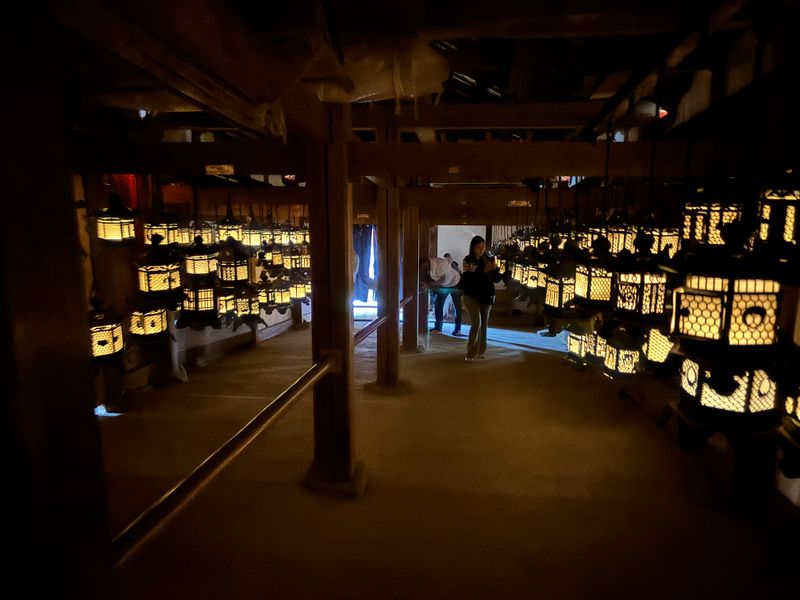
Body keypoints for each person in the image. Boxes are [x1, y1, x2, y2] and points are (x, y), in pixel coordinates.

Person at [460, 235, 503, 361]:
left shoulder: (489, 259)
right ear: (473, 248)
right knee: (476, 323)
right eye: (479, 247)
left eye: (483, 247)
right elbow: (468, 279)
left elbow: (496, 279)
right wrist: (483, 270)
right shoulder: (468, 260)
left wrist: (496, 270)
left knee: (484, 324)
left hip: (486, 295)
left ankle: (481, 351)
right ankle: (470, 353)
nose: (481, 250)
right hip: (471, 295)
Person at [420, 255, 463, 335]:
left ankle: (458, 329)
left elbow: (444, 279)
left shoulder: (439, 264)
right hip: (444, 286)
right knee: (439, 304)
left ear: (426, 262)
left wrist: (429, 285)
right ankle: (438, 327)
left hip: (455, 283)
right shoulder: (426, 266)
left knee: (457, 305)